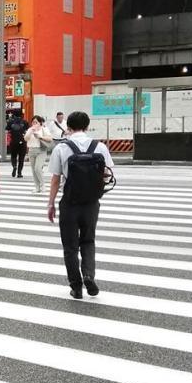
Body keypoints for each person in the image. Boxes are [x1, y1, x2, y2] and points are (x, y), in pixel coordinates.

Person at [47, 111, 115, 300]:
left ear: (68, 126)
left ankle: (76, 286)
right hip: (91, 203)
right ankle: (88, 276)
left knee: (70, 246)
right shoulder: (99, 146)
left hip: (69, 203)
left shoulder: (62, 148)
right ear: (87, 126)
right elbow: (108, 175)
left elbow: (55, 179)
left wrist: (50, 204)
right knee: (88, 240)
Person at [24, 116, 53, 194]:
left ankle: (43, 185)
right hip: (31, 151)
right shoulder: (30, 129)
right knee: (33, 170)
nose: (34, 123)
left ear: (40, 122)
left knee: (37, 168)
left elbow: (50, 139)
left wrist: (40, 137)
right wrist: (30, 132)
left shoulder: (44, 129)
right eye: (33, 122)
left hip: (41, 150)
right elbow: (26, 139)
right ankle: (37, 187)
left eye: (36, 122)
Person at [7, 111, 29, 178]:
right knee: (21, 158)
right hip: (22, 142)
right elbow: (27, 131)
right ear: (21, 115)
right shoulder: (25, 122)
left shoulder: (10, 122)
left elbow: (7, 131)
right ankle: (19, 173)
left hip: (13, 142)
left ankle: (14, 166)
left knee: (13, 156)